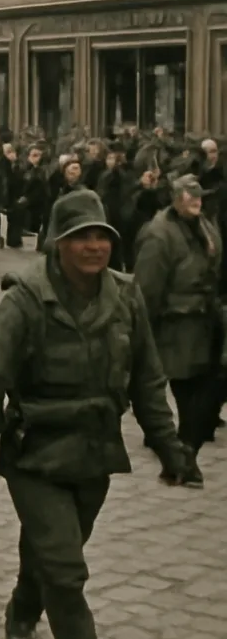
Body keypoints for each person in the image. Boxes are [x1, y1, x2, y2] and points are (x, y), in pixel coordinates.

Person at [0, 189, 193, 639]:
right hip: (35, 454)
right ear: (56, 244)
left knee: (55, 549)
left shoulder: (126, 296)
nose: (94, 246)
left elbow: (148, 378)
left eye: (101, 237)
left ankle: (24, 607)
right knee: (66, 571)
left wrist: (171, 450)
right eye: (80, 237)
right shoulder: (25, 299)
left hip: (94, 453)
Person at [132, 175, 220, 485]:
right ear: (175, 199)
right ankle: (182, 457)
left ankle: (181, 455)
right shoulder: (160, 235)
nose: (196, 201)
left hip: (206, 322)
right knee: (188, 392)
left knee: (206, 391)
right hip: (175, 326)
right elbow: (147, 289)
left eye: (198, 196)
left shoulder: (205, 227)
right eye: (189, 196)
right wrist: (142, 331)